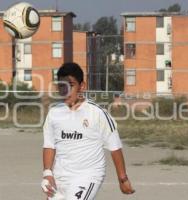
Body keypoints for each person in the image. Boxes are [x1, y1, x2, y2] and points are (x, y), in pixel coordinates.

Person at [41, 62, 135, 200]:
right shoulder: (54, 113)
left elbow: (115, 147)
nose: (65, 90)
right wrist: (47, 173)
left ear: (82, 86)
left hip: (87, 176)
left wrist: (123, 178)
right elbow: (49, 145)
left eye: (70, 85)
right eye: (62, 86)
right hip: (59, 178)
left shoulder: (97, 113)